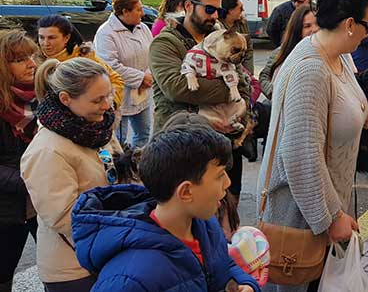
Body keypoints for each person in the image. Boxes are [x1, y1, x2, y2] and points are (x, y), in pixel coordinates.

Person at [256, 0, 368, 292]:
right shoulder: (311, 69)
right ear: (350, 25)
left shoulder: (340, 57)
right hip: (302, 217)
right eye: (367, 25)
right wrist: (333, 217)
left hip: (326, 210)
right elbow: (300, 155)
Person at [71, 124, 260, 292]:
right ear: (186, 192)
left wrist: (242, 282)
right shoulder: (131, 278)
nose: (227, 183)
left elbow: (220, 263)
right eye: (220, 175)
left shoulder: (205, 224)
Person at [21, 57, 123, 292]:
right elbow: (64, 218)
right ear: (65, 99)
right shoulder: (48, 150)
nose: (108, 105)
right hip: (73, 267)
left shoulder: (96, 127)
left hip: (105, 251)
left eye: (109, 95)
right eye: (98, 99)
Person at [149, 0, 251, 208]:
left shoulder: (222, 36)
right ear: (188, 6)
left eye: (219, 10)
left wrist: (237, 100)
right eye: (209, 9)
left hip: (221, 146)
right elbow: (177, 88)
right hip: (180, 147)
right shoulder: (166, 42)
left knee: (224, 220)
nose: (215, 16)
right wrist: (228, 90)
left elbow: (243, 81)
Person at [0, 30, 39, 292]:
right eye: (20, 59)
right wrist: (29, 181)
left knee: (61, 269)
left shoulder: (43, 97)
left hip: (41, 205)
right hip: (6, 209)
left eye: (32, 55)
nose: (31, 63)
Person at [93, 0, 154, 148]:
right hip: (121, 94)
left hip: (142, 93)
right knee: (118, 139)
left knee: (144, 133)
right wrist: (140, 78)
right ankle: (122, 167)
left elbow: (152, 53)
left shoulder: (143, 29)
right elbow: (109, 66)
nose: (143, 13)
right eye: (138, 9)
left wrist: (148, 74)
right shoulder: (106, 33)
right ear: (125, 12)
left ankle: (136, 163)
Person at [36, 15, 124, 108]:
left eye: (52, 38)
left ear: (66, 38)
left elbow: (116, 80)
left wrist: (108, 105)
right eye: (41, 37)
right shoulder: (32, 61)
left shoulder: (85, 58)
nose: (45, 43)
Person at [258, 4, 319, 99]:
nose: (314, 29)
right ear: (297, 29)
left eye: (318, 24)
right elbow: (264, 76)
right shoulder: (281, 52)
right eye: (307, 26)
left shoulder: (326, 53)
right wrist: (275, 93)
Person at [220, 0, 255, 73]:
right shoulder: (217, 26)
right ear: (230, 10)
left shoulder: (242, 23)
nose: (243, 10)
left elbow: (249, 50)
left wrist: (249, 73)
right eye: (240, 8)